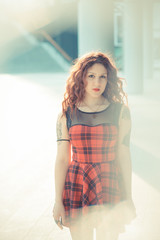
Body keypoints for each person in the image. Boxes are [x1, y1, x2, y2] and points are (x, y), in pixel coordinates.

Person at [53, 52, 136, 240]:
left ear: (109, 80)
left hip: (109, 181)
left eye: (102, 77)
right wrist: (58, 201)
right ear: (81, 78)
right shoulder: (66, 115)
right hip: (77, 183)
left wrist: (128, 197)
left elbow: (124, 155)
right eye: (91, 76)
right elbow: (62, 159)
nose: (96, 83)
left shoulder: (120, 112)